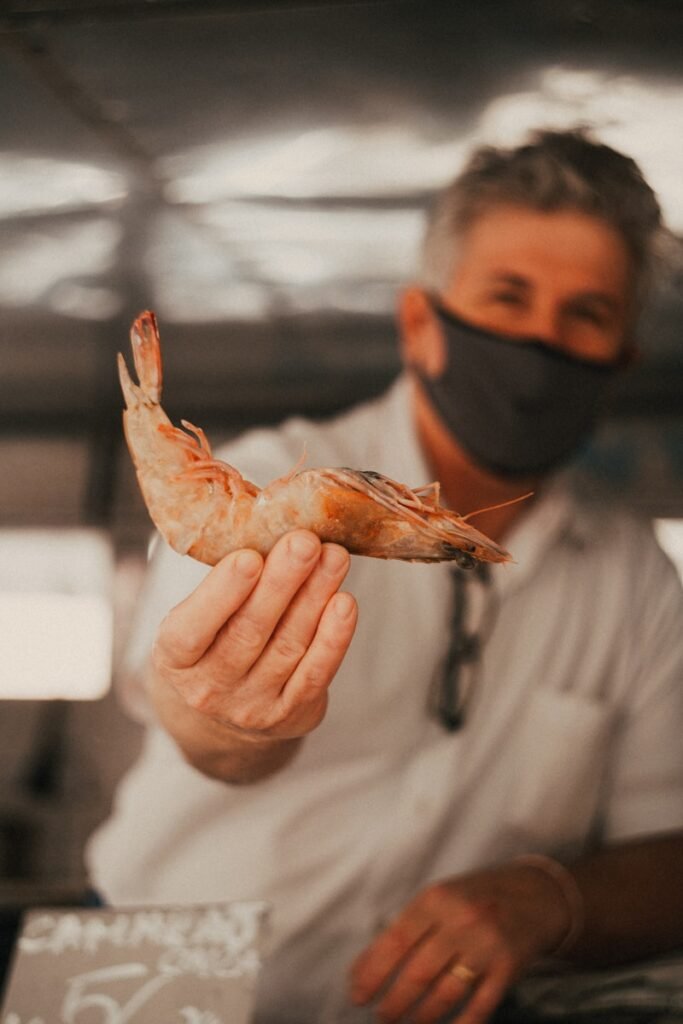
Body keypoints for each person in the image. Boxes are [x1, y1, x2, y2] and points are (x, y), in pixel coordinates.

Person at [87, 128, 683, 1024]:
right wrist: (233, 717)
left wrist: (547, 898)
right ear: (421, 324)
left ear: (617, 365)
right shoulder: (269, 469)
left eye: (586, 315)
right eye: (508, 297)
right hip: (156, 965)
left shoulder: (638, 580)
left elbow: (667, 843)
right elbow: (194, 727)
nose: (539, 342)